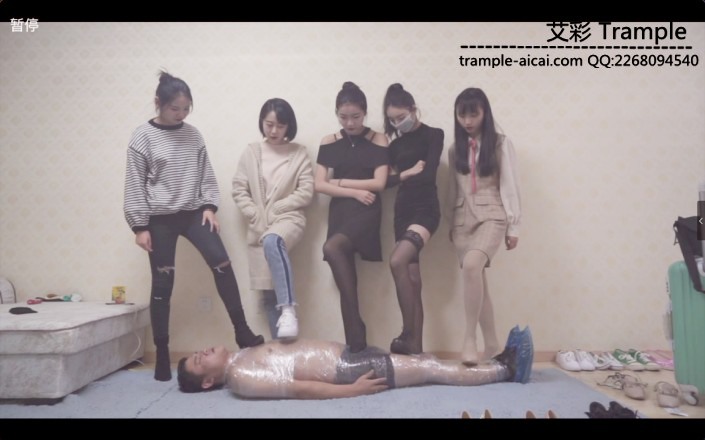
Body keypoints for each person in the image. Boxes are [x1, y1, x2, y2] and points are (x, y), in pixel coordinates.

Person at [123, 71, 264, 381]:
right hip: (159, 218)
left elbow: (205, 175)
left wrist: (209, 207)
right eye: (175, 108)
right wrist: (139, 226)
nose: (181, 114)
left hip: (193, 213)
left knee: (222, 262)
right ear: (158, 103)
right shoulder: (142, 137)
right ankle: (162, 353)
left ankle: (241, 330)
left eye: (186, 108)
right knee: (163, 285)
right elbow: (135, 183)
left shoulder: (193, 135)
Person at [176, 325, 533, 399]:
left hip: (348, 357)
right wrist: (353, 391)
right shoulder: (240, 377)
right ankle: (506, 369)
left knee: (425, 361)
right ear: (207, 381)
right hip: (347, 372)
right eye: (198, 361)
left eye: (197, 352)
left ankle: (496, 363)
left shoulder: (241, 354)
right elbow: (298, 388)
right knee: (429, 368)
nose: (202, 351)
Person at [447, 87, 521, 366]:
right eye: (462, 115)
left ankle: (470, 339)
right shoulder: (455, 149)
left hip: (492, 216)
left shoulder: (501, 144)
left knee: (471, 267)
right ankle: (492, 345)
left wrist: (514, 226)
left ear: (485, 114)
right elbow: (452, 189)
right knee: (477, 280)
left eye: (473, 114)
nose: (467, 121)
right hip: (462, 220)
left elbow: (510, 186)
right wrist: (450, 223)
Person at [314, 82, 389, 353]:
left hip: (367, 210)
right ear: (336, 113)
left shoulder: (379, 139)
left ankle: (356, 328)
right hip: (342, 210)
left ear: (365, 113)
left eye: (355, 117)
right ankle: (356, 344)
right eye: (343, 117)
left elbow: (379, 183)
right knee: (344, 268)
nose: (349, 123)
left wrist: (341, 182)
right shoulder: (328, 141)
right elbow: (319, 185)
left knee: (331, 248)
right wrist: (355, 191)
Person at [232, 98, 314, 340]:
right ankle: (281, 350)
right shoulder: (251, 152)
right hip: (258, 225)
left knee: (273, 241)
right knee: (268, 294)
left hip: (288, 217)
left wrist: (280, 206)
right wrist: (254, 213)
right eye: (269, 125)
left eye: (280, 125)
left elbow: (306, 190)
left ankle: (288, 309)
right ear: (262, 123)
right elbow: (238, 188)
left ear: (289, 126)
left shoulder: (299, 153)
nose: (274, 131)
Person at [382, 83, 444, 355]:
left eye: (401, 117)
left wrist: (402, 176)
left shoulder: (434, 134)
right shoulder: (394, 145)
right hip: (402, 211)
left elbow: (429, 175)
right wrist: (406, 174)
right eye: (393, 120)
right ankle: (417, 350)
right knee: (413, 279)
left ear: (413, 109)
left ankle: (407, 334)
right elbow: (385, 182)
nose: (398, 123)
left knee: (397, 261)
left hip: (425, 209)